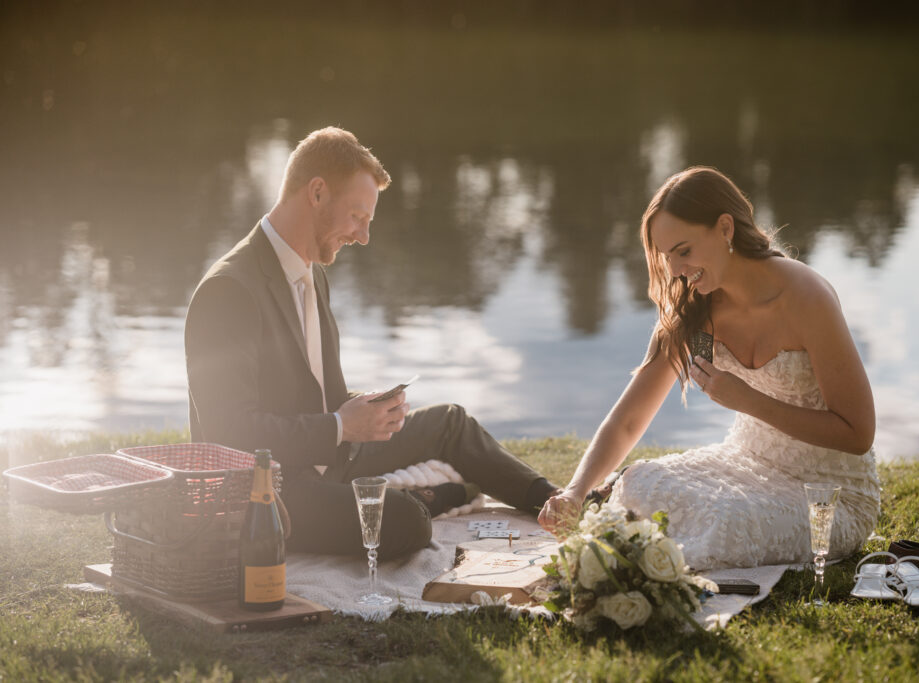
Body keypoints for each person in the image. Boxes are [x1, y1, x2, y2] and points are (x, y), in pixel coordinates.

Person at [185, 126, 558, 560]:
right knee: (403, 519)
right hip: (270, 492)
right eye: (357, 216)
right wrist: (341, 426)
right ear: (317, 193)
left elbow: (313, 396)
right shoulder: (229, 290)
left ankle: (558, 501)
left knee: (449, 423)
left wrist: (366, 411)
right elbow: (230, 435)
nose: (362, 236)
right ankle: (430, 498)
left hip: (328, 458)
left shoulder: (312, 273)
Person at [538, 167, 880, 570]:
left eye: (684, 251)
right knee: (638, 482)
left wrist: (748, 401)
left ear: (725, 228)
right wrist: (576, 491)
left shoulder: (806, 297)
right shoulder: (695, 307)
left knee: (725, 520)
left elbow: (858, 433)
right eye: (667, 257)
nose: (675, 270)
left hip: (829, 493)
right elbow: (629, 420)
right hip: (745, 461)